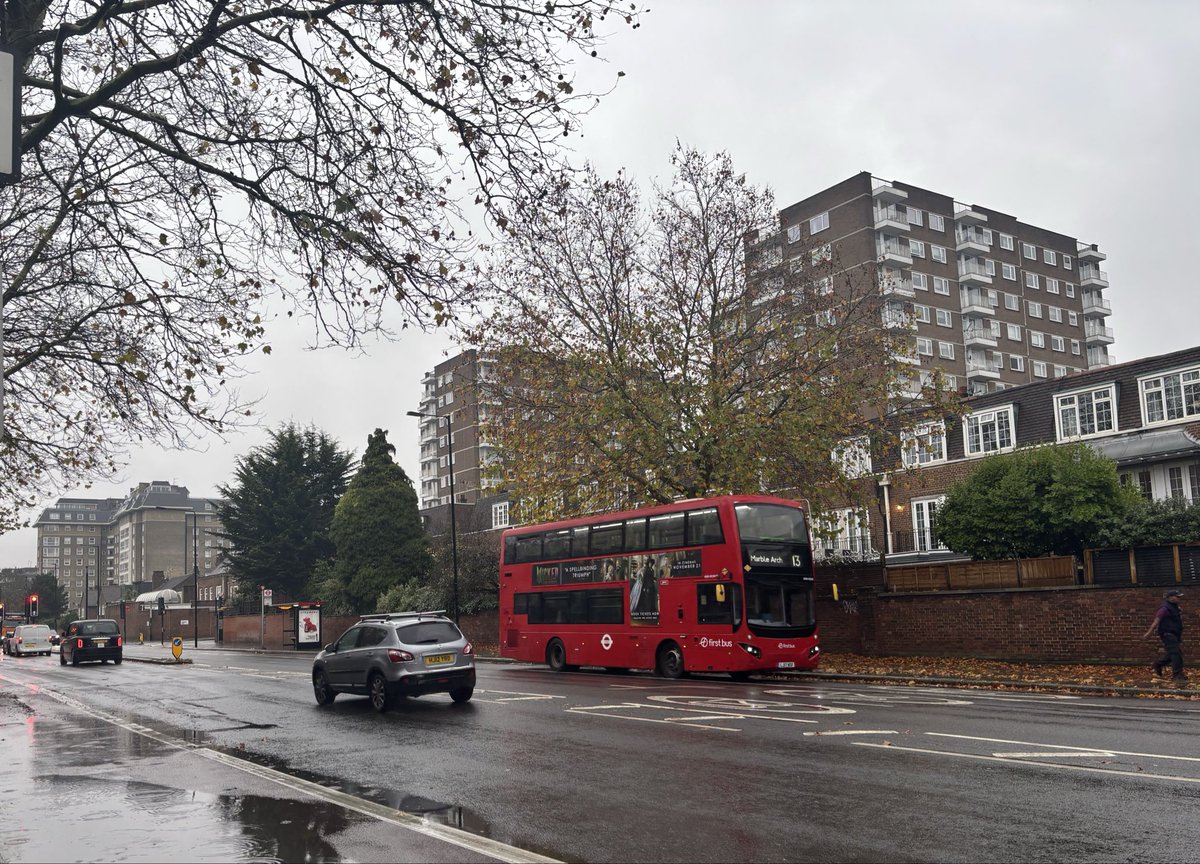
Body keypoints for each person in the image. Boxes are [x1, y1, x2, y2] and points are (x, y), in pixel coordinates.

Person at [1143, 589, 1185, 684]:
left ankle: (1158, 664)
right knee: (1176, 654)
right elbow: (1157, 620)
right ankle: (1177, 675)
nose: (1179, 599)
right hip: (1167, 634)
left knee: (1174, 653)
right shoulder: (1164, 609)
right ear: (1170, 597)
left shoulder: (1174, 607)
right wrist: (1148, 633)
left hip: (1175, 634)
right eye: (1177, 597)